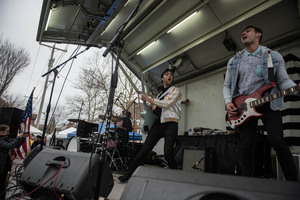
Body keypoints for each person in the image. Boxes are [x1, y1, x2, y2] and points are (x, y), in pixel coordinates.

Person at [223, 26, 300, 181]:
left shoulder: (273, 56)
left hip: (269, 103)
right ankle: (248, 183)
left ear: (258, 34)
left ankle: (293, 182)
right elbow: (227, 86)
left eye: (248, 30)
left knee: (277, 141)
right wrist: (228, 102)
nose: (243, 33)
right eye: (242, 32)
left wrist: (296, 89)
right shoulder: (234, 61)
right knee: (246, 146)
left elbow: (283, 80)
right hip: (243, 106)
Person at [118, 68, 182, 183]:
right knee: (144, 150)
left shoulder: (175, 90)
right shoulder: (160, 94)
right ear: (162, 78)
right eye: (167, 74)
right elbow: (156, 108)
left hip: (171, 123)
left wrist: (149, 99)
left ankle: (176, 178)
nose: (170, 76)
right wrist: (149, 104)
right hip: (159, 124)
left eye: (171, 75)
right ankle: (127, 176)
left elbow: (167, 104)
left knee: (168, 153)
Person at [0, 125, 28, 197]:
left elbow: (15, 145)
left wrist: (22, 138)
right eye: (7, 131)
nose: (8, 133)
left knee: (3, 180)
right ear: (1, 132)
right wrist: (18, 137)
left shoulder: (5, 139)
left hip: (5, 165)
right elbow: (9, 146)